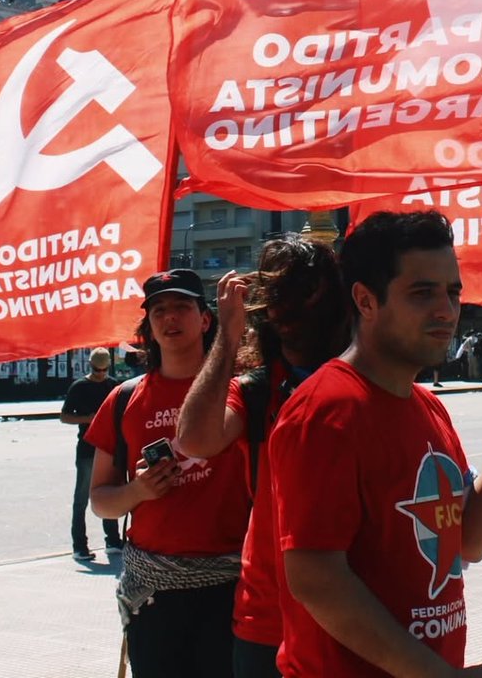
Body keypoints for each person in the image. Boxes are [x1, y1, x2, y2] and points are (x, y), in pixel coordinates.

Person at [269, 210, 482, 678]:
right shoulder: (325, 411)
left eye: (453, 292)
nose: (447, 310)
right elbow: (316, 577)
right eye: (423, 293)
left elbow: (470, 541)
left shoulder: (428, 406)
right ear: (365, 300)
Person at [176, 234, 352, 678]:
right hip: (267, 621)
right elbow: (195, 440)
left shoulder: (364, 382)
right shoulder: (256, 389)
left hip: (355, 613)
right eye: (280, 292)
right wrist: (228, 337)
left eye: (307, 290)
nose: (294, 308)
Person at [86, 269, 251, 678]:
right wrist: (138, 491)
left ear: (205, 319)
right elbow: (100, 502)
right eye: (159, 310)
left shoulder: (241, 390)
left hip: (231, 586)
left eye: (182, 307)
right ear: (149, 327)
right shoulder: (123, 399)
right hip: (154, 591)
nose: (170, 317)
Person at [60, 345, 122, 561]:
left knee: (110, 492)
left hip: (109, 448)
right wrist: (90, 419)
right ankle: (79, 545)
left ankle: (113, 540)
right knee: (81, 498)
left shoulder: (113, 386)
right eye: (97, 370)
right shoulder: (79, 387)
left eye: (104, 371)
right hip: (87, 448)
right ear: (91, 367)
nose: (101, 375)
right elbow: (65, 416)